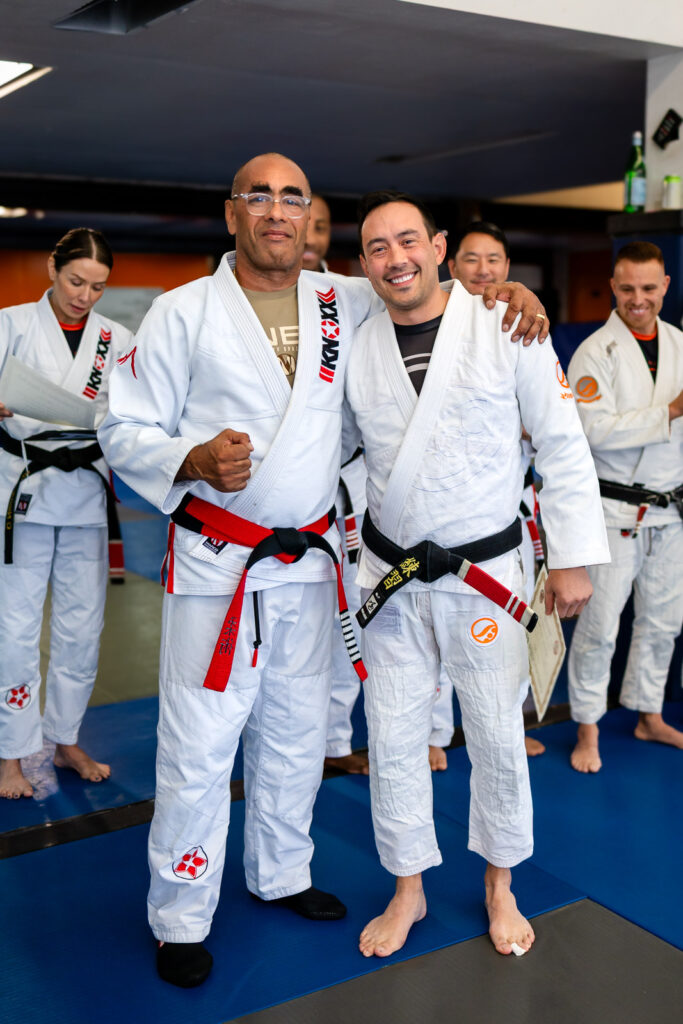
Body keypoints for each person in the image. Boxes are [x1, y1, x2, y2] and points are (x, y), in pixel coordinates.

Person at [98, 153, 550, 988]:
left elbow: (430, 299)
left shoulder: (342, 298)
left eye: (292, 199)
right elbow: (120, 425)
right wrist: (189, 457)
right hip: (219, 563)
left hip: (309, 562)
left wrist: (506, 295)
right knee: (199, 742)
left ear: (311, 219)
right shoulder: (179, 313)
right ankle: (180, 913)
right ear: (231, 213)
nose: (276, 212)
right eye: (258, 197)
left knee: (299, 732)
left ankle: (280, 873)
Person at [344, 191, 608, 959]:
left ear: (437, 246)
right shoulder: (357, 346)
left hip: (484, 573)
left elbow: (560, 444)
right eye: (376, 248)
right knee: (391, 735)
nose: (394, 259)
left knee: (494, 733)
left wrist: (568, 558)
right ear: (363, 265)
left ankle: (500, 884)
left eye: (406, 242)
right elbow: (333, 453)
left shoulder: (506, 323)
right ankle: (408, 888)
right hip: (389, 578)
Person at [0, 228, 131, 800]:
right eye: (76, 281)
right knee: (15, 630)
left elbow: (131, 415)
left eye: (98, 287)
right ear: (53, 268)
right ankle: (10, 752)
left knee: (82, 627)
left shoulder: (117, 339)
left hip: (84, 491)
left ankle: (65, 737)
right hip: (22, 493)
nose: (85, 296)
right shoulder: (9, 324)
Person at [429, 222, 545, 770]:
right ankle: (435, 734)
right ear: (450, 266)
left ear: (507, 267)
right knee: (430, 637)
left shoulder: (522, 324)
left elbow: (552, 427)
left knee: (506, 637)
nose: (482, 270)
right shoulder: (427, 319)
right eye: (470, 259)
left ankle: (512, 724)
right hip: (438, 512)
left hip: (505, 518)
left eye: (493, 260)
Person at [567, 241, 683, 773]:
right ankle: (587, 727)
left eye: (649, 288)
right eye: (629, 288)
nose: (639, 299)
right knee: (601, 625)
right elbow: (592, 431)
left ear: (665, 287)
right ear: (614, 287)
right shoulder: (595, 351)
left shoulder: (681, 344)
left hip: (671, 510)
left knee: (663, 622)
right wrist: (672, 412)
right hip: (614, 512)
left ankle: (648, 713)